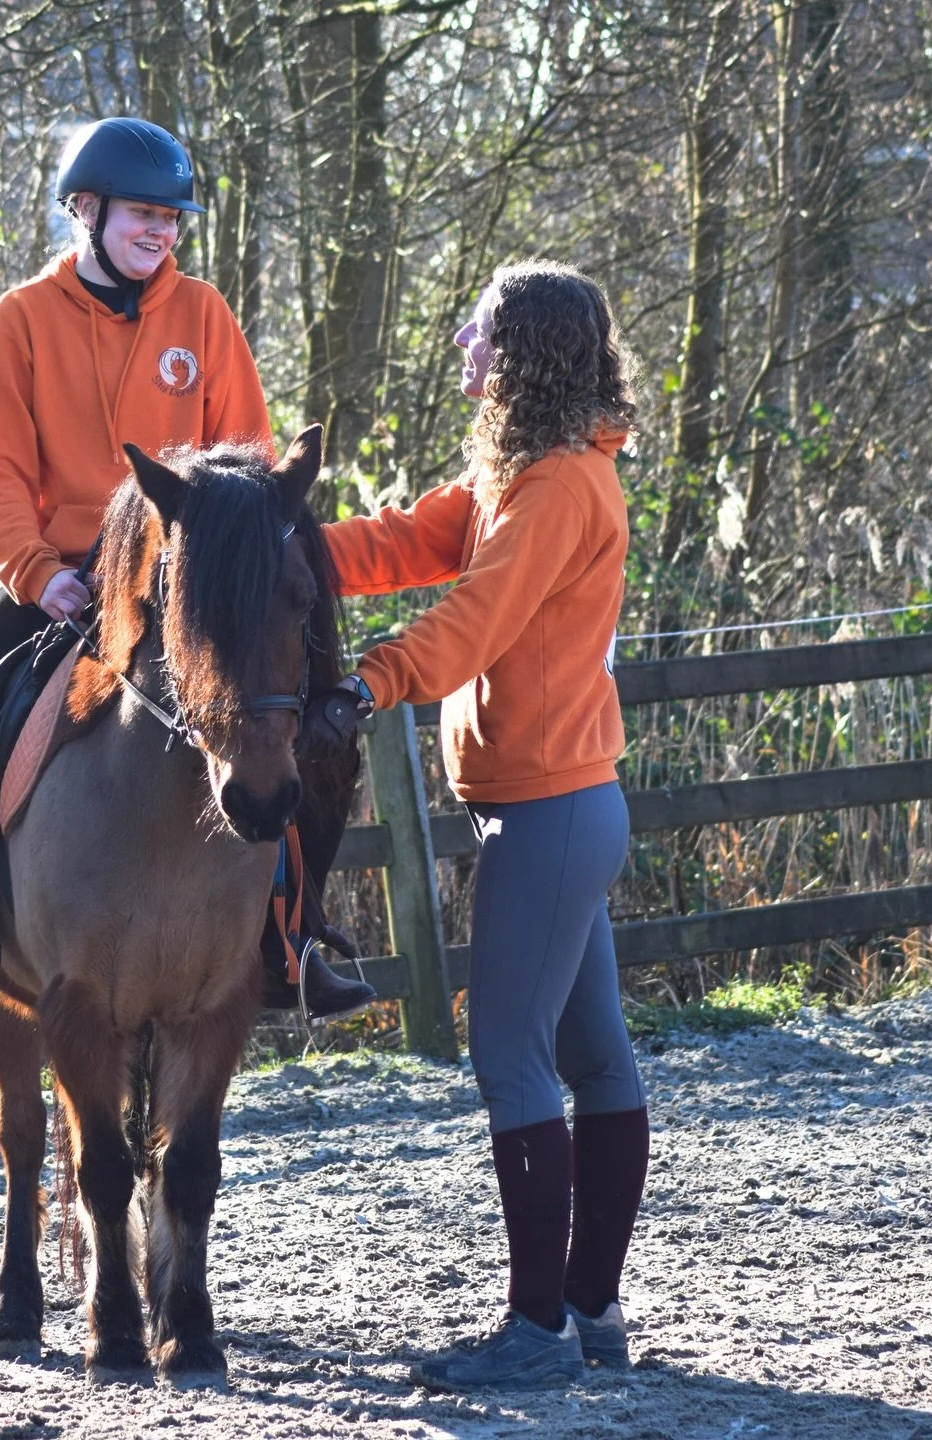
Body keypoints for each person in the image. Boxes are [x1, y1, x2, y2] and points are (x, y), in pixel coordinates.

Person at [0, 116, 375, 1043]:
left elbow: (249, 457)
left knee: (311, 721)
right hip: (66, 576)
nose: (162, 232)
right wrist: (38, 575)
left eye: (172, 218)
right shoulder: (19, 322)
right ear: (86, 208)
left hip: (193, 577)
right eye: (143, 215)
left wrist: (226, 564)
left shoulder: (203, 314)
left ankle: (298, 941)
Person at [309, 261, 646, 1388]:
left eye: (481, 330)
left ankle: (538, 1330)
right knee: (592, 1060)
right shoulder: (525, 474)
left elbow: (479, 619)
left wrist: (371, 681)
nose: (463, 343)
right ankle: (591, 1313)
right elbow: (410, 542)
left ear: (525, 353)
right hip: (565, 806)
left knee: (510, 1058)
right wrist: (283, 543)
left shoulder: (555, 488)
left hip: (548, 815)